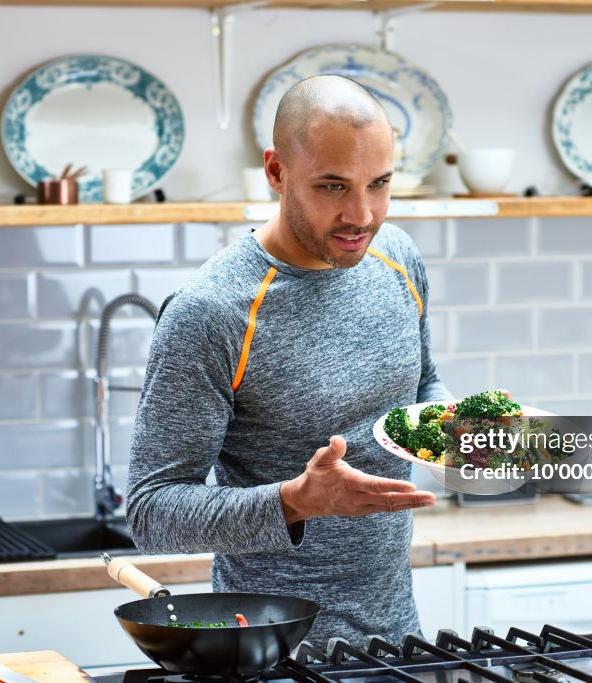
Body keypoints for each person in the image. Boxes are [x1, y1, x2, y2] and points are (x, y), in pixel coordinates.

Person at [126, 74, 451, 647]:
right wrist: (295, 501)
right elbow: (152, 512)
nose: (363, 215)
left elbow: (422, 383)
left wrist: (460, 433)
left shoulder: (396, 255)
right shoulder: (212, 311)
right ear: (276, 171)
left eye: (379, 184)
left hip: (395, 643)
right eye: (332, 187)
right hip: (269, 651)